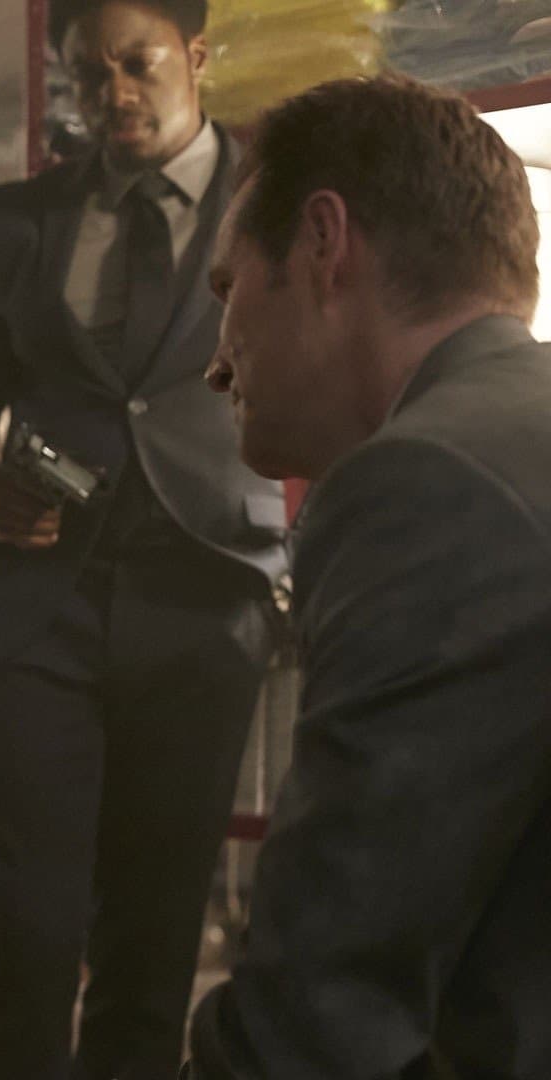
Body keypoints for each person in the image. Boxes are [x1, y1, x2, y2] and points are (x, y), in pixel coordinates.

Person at [0, 1, 288, 1076]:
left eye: (137, 63)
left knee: (156, 935)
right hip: (39, 605)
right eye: (88, 74)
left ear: (196, 58)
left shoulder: (277, 196)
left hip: (205, 591)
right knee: (27, 931)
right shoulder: (14, 223)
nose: (113, 93)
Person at [186, 75, 551, 1079]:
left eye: (227, 289)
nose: (216, 364)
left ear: (322, 244)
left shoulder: (427, 482)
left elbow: (319, 1016)